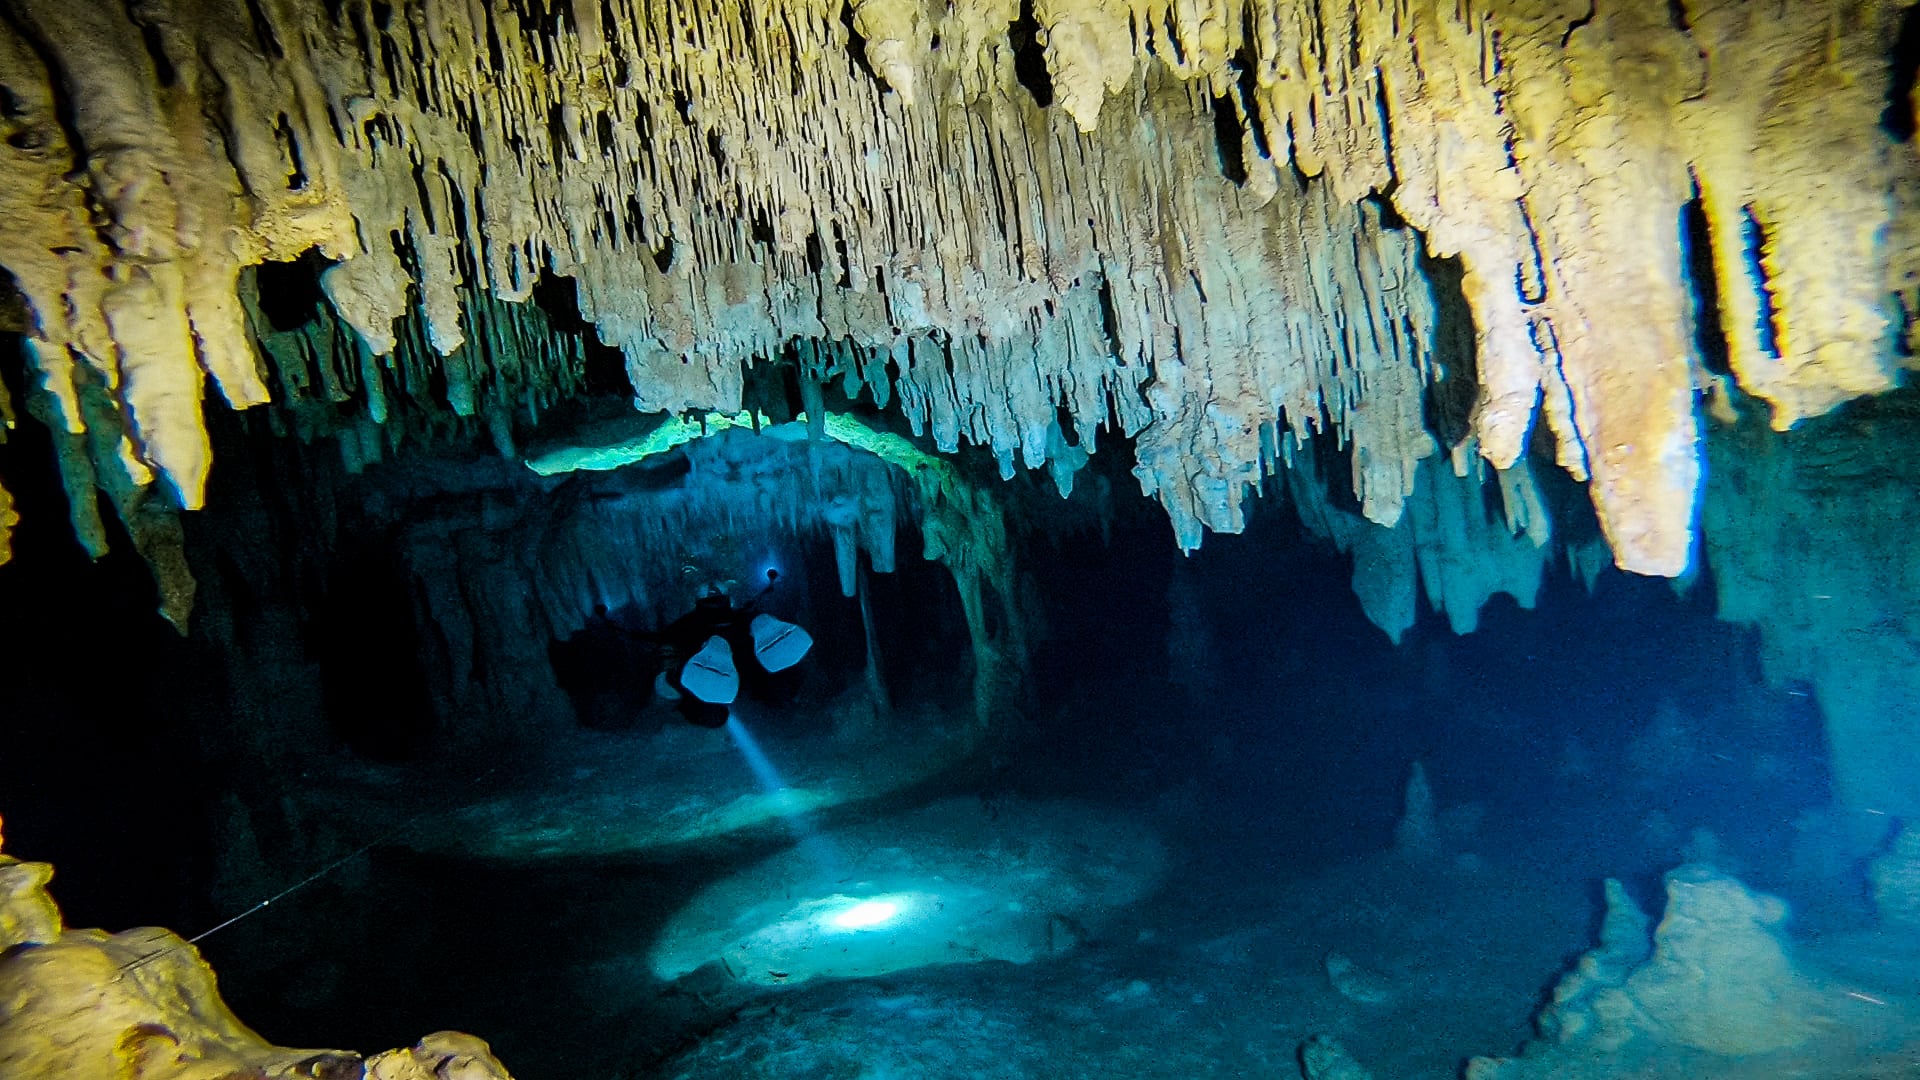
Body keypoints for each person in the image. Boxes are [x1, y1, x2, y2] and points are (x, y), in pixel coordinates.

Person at [651, 570, 812, 727]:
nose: (712, 590)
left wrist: (673, 677)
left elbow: (666, 649)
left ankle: (779, 698)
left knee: (772, 692)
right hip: (740, 674)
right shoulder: (740, 618)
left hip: (730, 676)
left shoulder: (686, 625)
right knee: (772, 688)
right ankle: (783, 701)